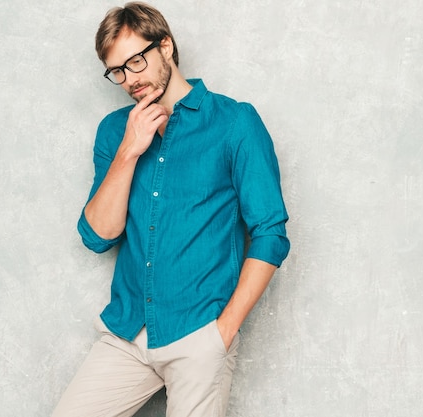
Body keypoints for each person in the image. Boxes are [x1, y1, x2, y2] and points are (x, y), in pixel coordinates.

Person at [52, 2, 290, 416]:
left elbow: (270, 233)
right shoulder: (115, 130)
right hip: (128, 330)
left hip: (200, 332)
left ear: (165, 46)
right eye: (117, 71)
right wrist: (129, 151)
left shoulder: (234, 122)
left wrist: (223, 332)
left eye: (136, 61)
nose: (129, 79)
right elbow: (97, 236)